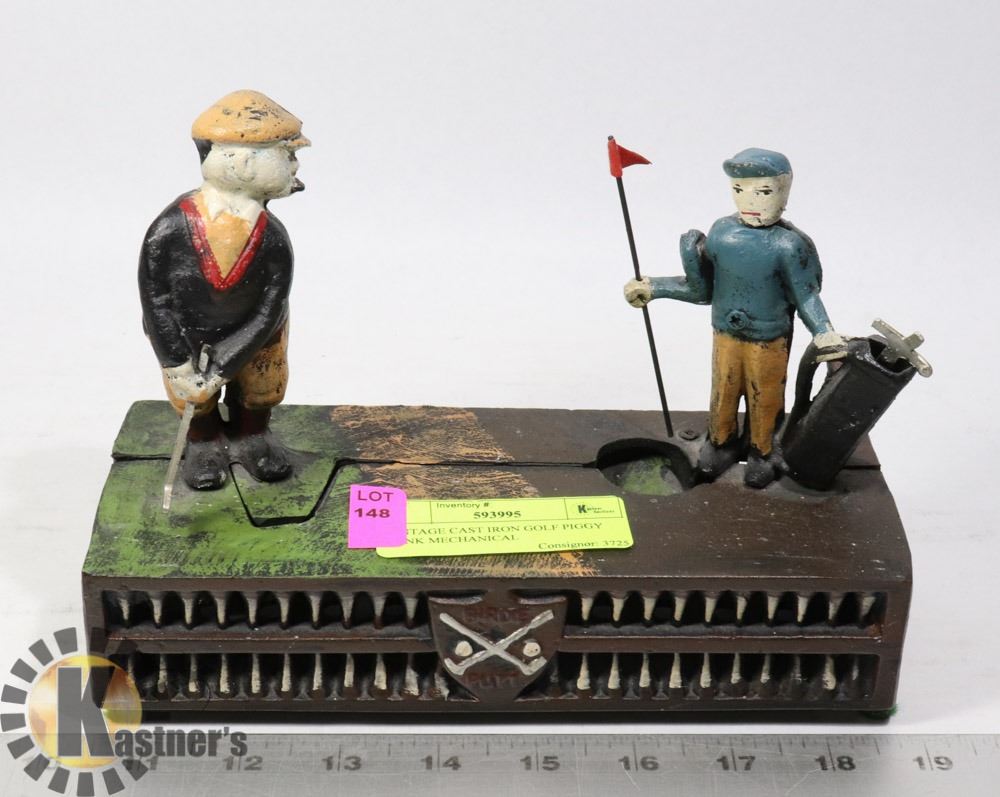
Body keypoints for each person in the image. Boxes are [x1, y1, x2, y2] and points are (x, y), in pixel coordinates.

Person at [624, 148, 846, 488]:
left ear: (784, 192)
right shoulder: (722, 234)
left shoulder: (788, 246)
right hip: (725, 334)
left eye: (764, 191)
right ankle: (721, 442)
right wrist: (653, 287)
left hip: (768, 339)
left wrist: (824, 332)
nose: (750, 200)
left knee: (765, 395)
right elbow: (701, 289)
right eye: (739, 189)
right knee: (724, 390)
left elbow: (806, 296)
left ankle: (762, 451)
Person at [138, 90, 310, 490]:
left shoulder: (272, 237)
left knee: (263, 387)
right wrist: (176, 363)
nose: (296, 167)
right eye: (287, 155)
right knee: (191, 399)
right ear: (244, 163)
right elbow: (156, 302)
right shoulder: (169, 230)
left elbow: (271, 306)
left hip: (258, 337)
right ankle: (203, 441)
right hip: (188, 337)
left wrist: (224, 364)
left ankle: (253, 434)